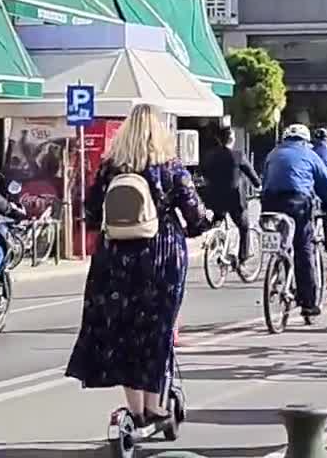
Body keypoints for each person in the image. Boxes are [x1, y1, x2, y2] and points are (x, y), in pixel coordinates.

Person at [66, 104, 204, 433]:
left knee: (124, 332)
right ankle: (157, 407)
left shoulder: (110, 168)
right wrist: (201, 223)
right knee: (157, 332)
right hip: (162, 255)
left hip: (115, 257)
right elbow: (195, 215)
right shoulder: (171, 168)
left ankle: (136, 410)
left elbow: (91, 213)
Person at [263, 124, 327, 318]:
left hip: (269, 203)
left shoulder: (273, 154)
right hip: (297, 203)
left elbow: (265, 180)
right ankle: (308, 303)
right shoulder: (309, 155)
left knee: (282, 240)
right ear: (305, 140)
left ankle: (278, 263)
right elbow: (326, 185)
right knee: (303, 248)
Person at [199, 126, 261, 264]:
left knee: (218, 217)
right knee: (243, 226)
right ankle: (242, 258)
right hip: (234, 198)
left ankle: (215, 239)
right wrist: (258, 185)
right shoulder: (238, 156)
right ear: (232, 139)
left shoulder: (210, 156)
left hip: (214, 197)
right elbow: (251, 173)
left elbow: (204, 173)